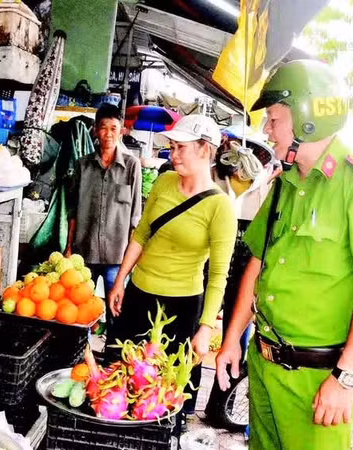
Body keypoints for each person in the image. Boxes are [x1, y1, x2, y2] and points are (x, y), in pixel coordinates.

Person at [214, 59, 353, 450]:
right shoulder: (284, 185)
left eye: (274, 119)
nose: (267, 130)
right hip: (263, 366)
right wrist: (231, 339)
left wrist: (345, 379)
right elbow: (257, 265)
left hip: (318, 381)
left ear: (307, 119)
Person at [106, 114, 237, 426]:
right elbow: (141, 235)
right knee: (122, 380)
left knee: (166, 393)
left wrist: (206, 328)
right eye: (173, 147)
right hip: (138, 296)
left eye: (181, 148)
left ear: (205, 150)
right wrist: (120, 280)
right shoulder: (164, 182)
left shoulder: (220, 207)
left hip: (181, 308)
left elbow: (218, 276)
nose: (173, 154)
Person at [203, 134, 276, 426]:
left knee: (236, 339)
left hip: (245, 267)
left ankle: (220, 408)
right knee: (198, 330)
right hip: (210, 265)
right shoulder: (214, 179)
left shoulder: (267, 187)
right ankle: (183, 406)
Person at [66, 103, 142, 306]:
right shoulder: (82, 165)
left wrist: (131, 259)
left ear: (121, 131)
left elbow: (135, 217)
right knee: (80, 308)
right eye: (103, 128)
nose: (108, 134)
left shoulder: (132, 166)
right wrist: (68, 248)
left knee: (116, 310)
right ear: (95, 131)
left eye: (113, 128)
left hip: (117, 256)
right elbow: (72, 211)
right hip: (84, 253)